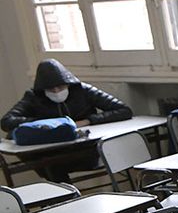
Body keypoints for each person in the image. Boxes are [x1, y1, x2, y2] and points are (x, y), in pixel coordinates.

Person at [1, 59, 133, 182]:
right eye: (50, 89)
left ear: (68, 83)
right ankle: (67, 195)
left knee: (56, 165)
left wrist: (88, 121)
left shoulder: (83, 90)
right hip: (53, 152)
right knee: (51, 165)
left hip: (86, 148)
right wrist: (47, 123)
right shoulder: (33, 97)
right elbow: (7, 121)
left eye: (60, 87)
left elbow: (124, 110)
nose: (56, 91)